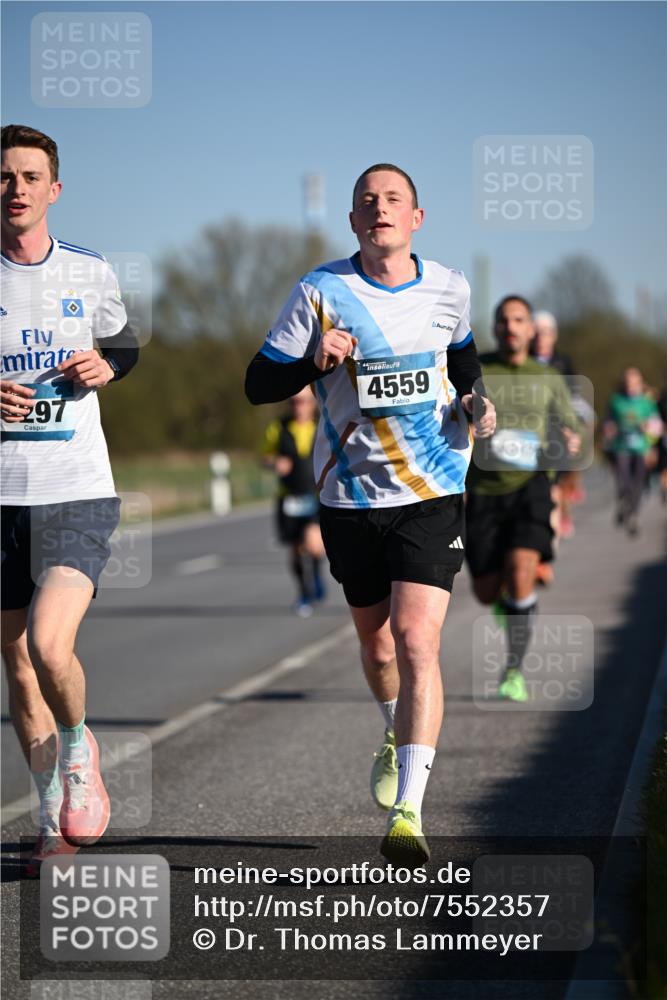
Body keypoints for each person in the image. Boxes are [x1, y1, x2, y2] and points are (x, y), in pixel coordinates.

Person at [246, 163, 495, 866]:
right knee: (379, 646)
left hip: (432, 486)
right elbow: (256, 381)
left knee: (418, 641)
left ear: (416, 217)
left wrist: (474, 401)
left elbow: (463, 357)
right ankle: (393, 729)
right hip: (349, 495)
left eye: (391, 200)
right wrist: (310, 360)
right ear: (353, 222)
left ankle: (410, 812)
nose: (377, 209)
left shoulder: (448, 286)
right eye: (365, 202)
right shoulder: (320, 292)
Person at [1, 125, 139, 875]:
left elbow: (126, 346)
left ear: (53, 190)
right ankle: (52, 814)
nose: (14, 189)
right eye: (3, 177)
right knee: (18, 667)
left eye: (28, 177)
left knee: (51, 646)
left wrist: (104, 366)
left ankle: (80, 748)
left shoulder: (87, 271)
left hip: (75, 491)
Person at [465, 296, 580, 703]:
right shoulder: (477, 371)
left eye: (519, 320)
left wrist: (571, 435)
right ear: (494, 328)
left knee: (520, 571)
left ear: (532, 329)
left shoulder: (546, 377)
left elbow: (570, 421)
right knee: (484, 589)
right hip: (482, 490)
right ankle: (514, 609)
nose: (511, 327)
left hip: (529, 487)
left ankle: (514, 667)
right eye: (503, 320)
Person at [262, 388, 326, 616]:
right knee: (295, 550)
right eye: (294, 402)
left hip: (314, 494)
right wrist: (275, 463)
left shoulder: (322, 425)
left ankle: (317, 574)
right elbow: (265, 456)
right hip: (287, 495)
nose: (298, 406)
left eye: (303, 402)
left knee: (314, 543)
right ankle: (303, 592)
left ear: (312, 404)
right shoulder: (278, 427)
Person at [603, 367, 662, 536]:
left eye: (634, 382)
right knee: (623, 479)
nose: (631, 385)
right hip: (621, 446)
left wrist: (649, 436)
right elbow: (608, 421)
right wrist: (609, 428)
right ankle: (624, 502)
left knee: (638, 482)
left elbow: (657, 426)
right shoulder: (616, 400)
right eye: (628, 382)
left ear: (640, 383)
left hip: (642, 447)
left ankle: (633, 515)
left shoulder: (647, 402)